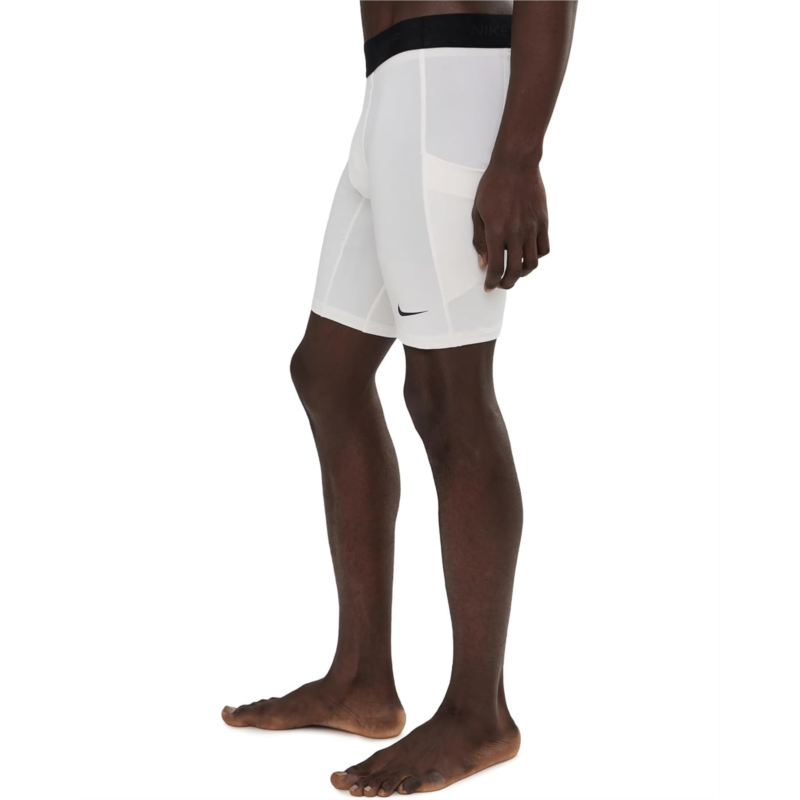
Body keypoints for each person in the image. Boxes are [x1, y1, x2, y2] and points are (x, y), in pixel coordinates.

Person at [222, 0, 578, 795]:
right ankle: (361, 681)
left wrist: (519, 153)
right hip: (389, 88)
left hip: (451, 91)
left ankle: (479, 714)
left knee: (449, 401)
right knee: (327, 374)